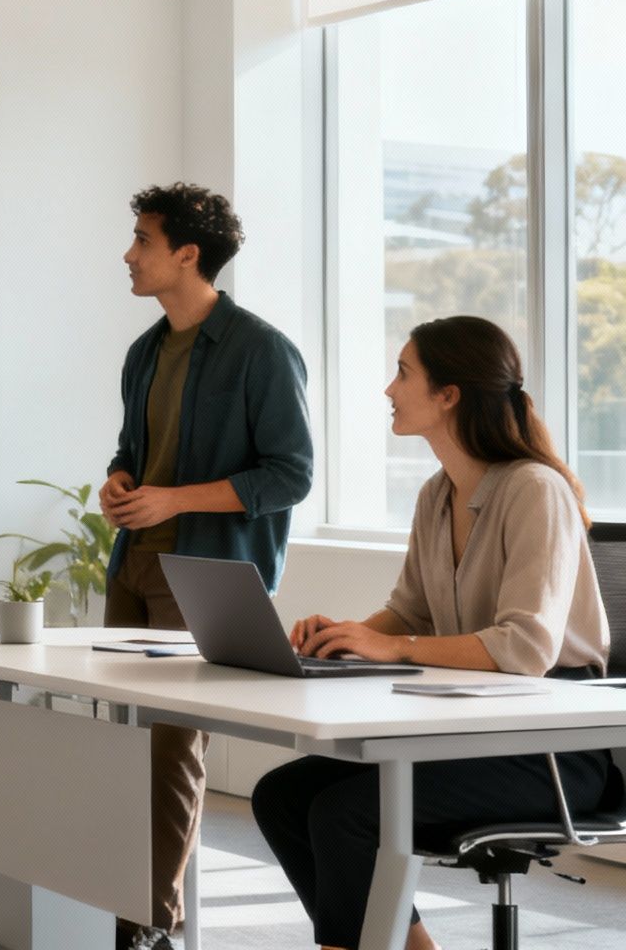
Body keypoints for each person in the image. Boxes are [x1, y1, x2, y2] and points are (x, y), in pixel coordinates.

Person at [252, 316, 619, 950]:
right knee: (283, 794)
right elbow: (412, 611)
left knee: (347, 814)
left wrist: (389, 646)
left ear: (448, 394)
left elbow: (526, 647)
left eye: (403, 373)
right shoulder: (436, 494)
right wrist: (343, 635)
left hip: (555, 748)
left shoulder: (536, 490)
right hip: (475, 729)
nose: (389, 388)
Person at [100, 183, 315, 950]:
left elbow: (290, 475)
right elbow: (135, 453)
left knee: (168, 751)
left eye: (143, 240)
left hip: (204, 573)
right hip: (133, 567)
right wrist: (120, 483)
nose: (129, 254)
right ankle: (124, 901)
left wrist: (175, 501)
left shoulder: (261, 349)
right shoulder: (146, 350)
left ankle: (150, 924)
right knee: (122, 744)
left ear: (188, 253)